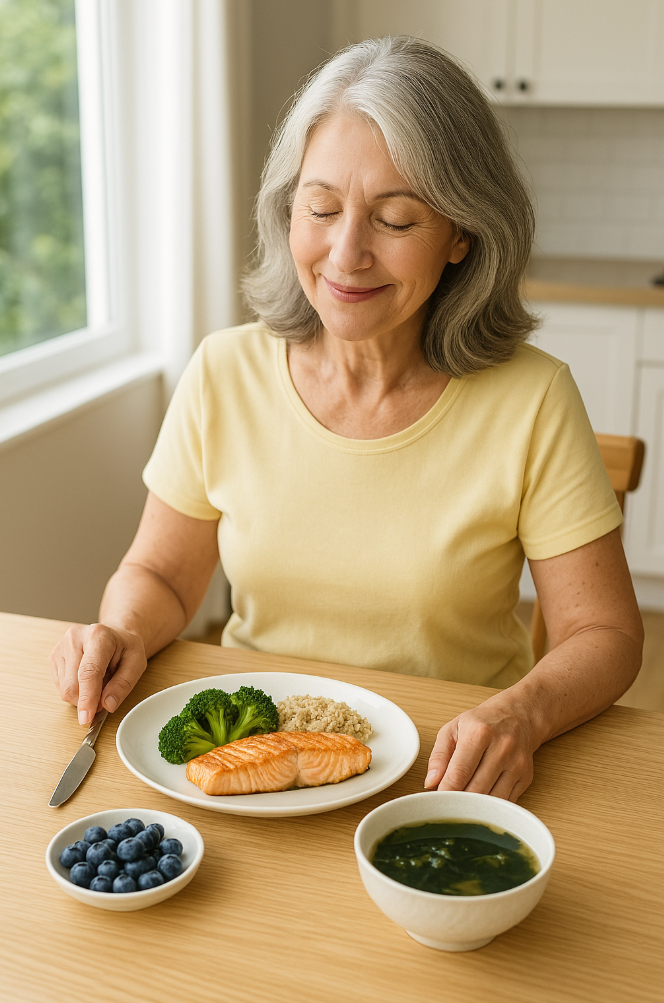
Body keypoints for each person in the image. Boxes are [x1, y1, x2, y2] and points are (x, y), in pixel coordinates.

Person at [50, 36, 643, 801]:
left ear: (462, 234)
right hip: (253, 764)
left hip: (444, 773)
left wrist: (521, 714)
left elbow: (606, 636)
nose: (346, 253)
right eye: (321, 208)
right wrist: (126, 629)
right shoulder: (222, 373)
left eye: (395, 220)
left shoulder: (532, 399)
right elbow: (161, 574)